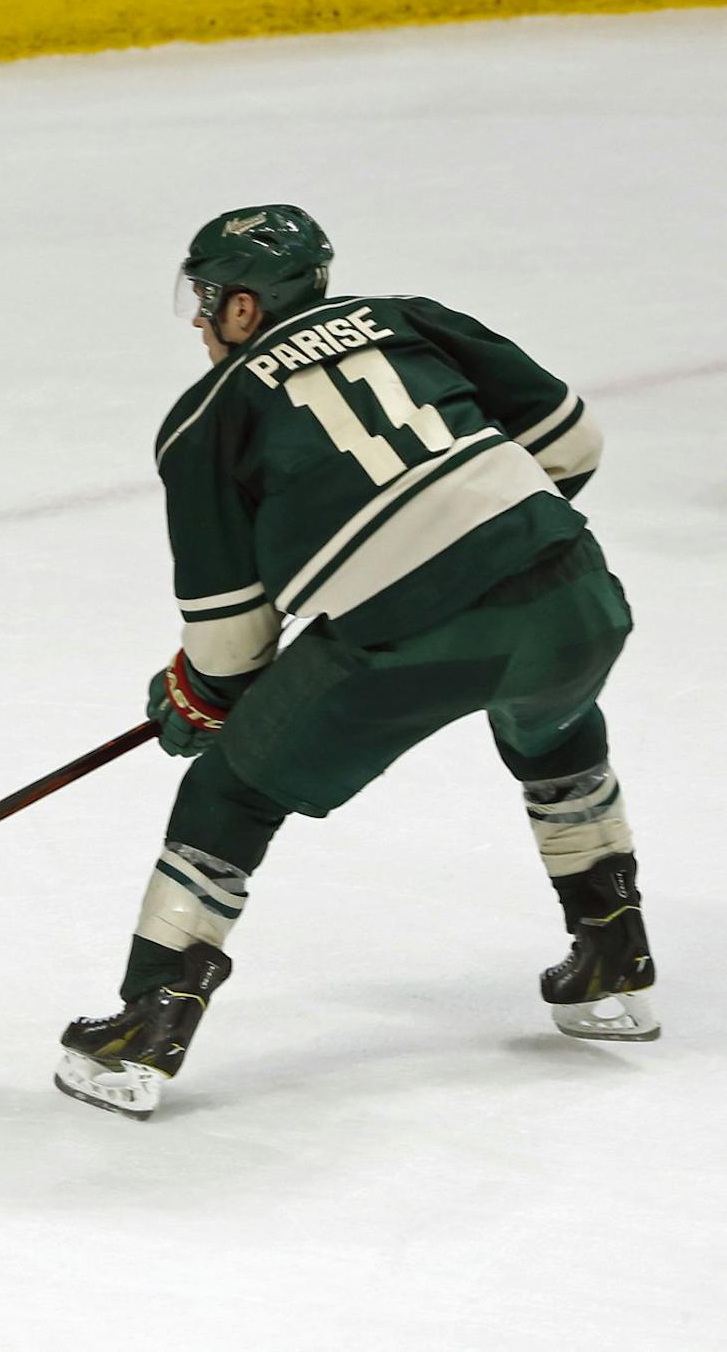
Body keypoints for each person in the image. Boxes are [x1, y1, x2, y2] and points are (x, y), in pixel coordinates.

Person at [53, 206, 652, 1119]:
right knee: (553, 715)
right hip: (576, 594)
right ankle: (614, 955)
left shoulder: (206, 421)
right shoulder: (411, 317)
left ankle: (148, 1024)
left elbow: (231, 642)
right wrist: (489, 532)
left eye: (208, 299)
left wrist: (198, 699)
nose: (199, 318)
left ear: (247, 309)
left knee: (231, 792)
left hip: (411, 636)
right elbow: (572, 444)